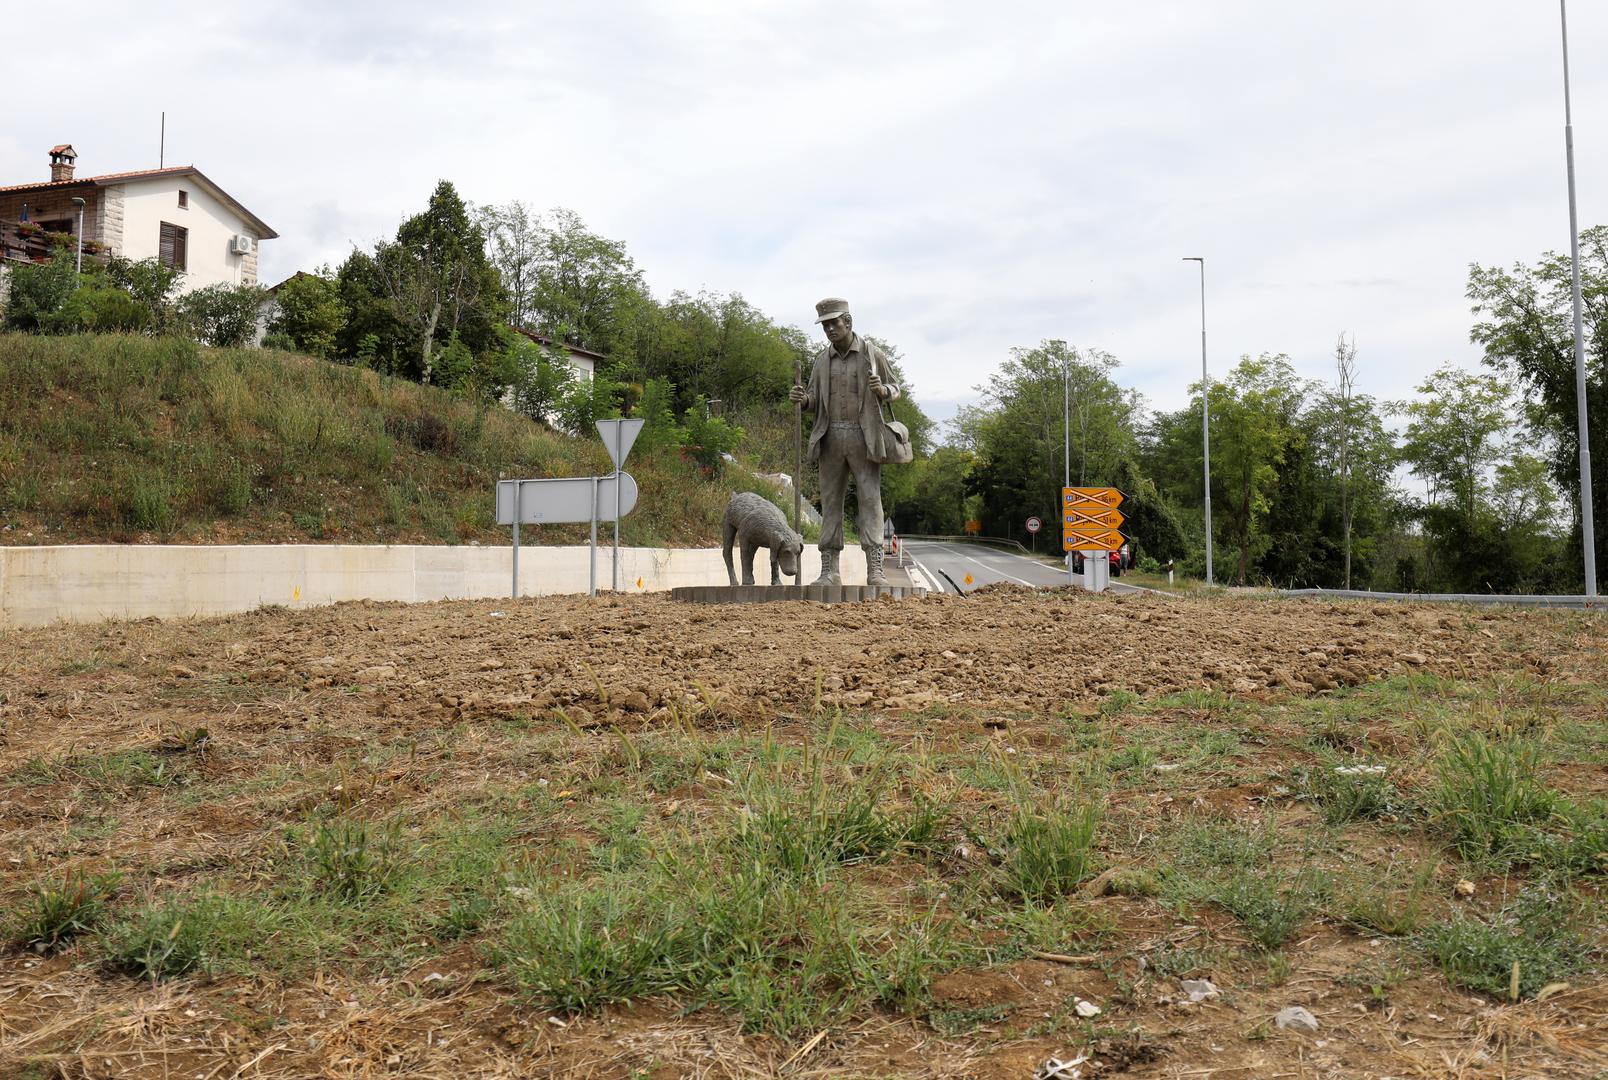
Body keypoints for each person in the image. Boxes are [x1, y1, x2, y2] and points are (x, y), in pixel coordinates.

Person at [789, 297, 901, 586]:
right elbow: (814, 399)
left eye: (833, 324)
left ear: (847, 322)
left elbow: (896, 388)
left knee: (869, 500)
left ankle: (875, 568)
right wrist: (804, 401)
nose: (829, 330)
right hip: (831, 438)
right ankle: (829, 570)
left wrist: (883, 390)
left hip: (865, 437)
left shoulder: (871, 354)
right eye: (825, 326)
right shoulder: (821, 361)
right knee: (830, 503)